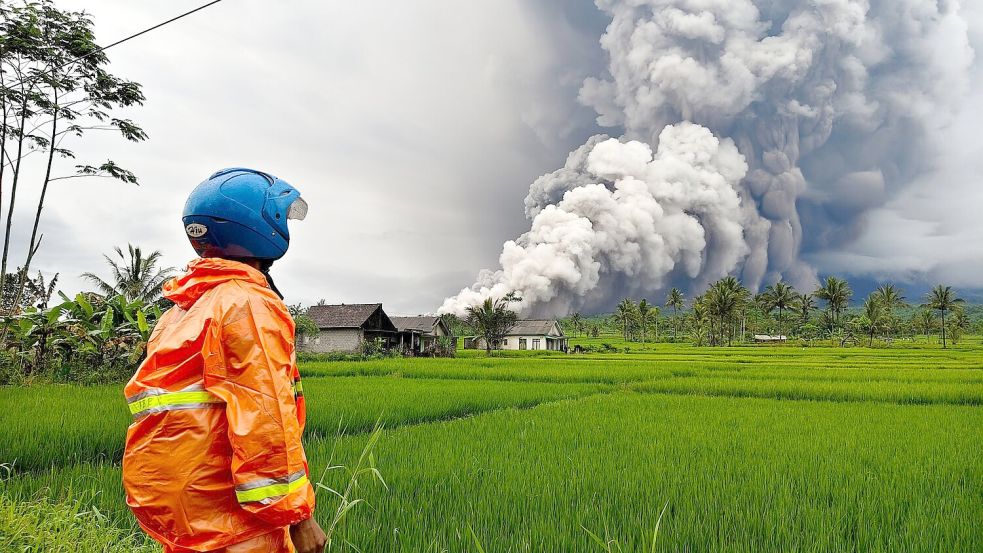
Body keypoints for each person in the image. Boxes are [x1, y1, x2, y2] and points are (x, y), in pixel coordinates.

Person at [122, 168, 326, 553]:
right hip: (231, 514)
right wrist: (300, 520)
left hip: (186, 510)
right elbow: (265, 420)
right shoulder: (247, 305)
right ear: (259, 228)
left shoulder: (184, 309)